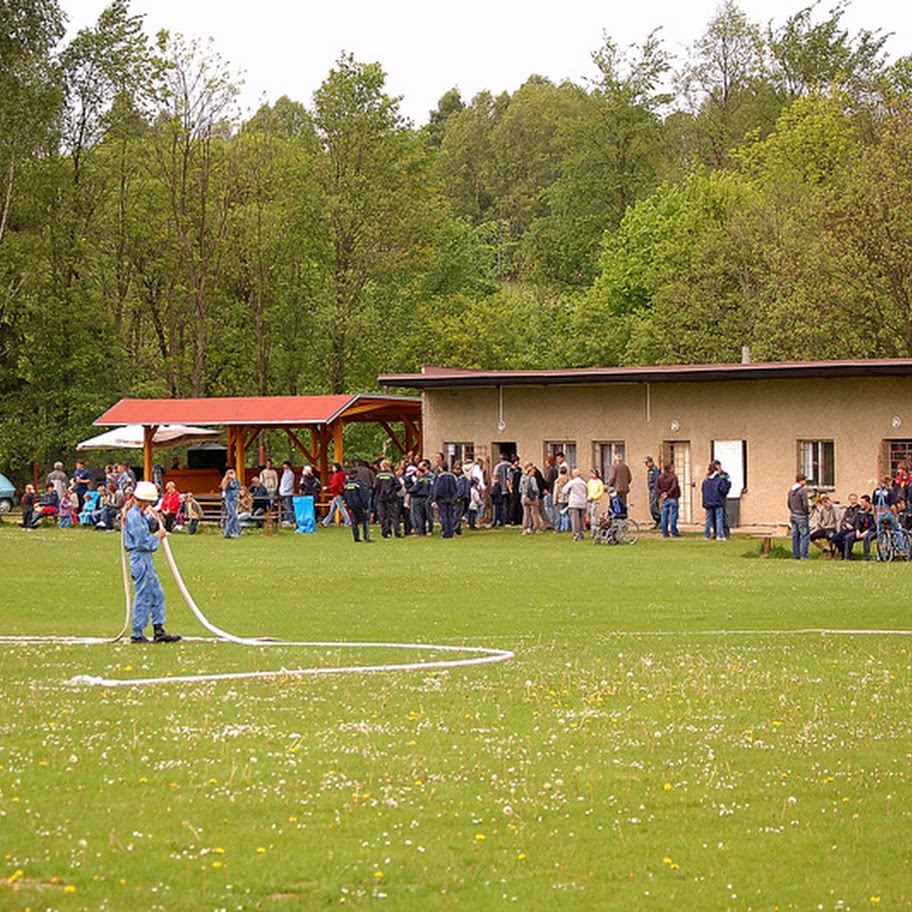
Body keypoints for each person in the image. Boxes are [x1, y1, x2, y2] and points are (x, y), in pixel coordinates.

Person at [123, 480, 180, 643]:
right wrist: (158, 536)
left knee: (157, 594)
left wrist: (152, 519)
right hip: (140, 558)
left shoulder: (138, 514)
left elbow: (142, 527)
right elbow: (143, 541)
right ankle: (137, 633)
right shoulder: (133, 516)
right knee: (144, 595)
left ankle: (159, 630)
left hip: (145, 559)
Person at [873, 473, 905, 554]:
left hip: (879, 514)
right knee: (897, 529)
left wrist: (875, 515)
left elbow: (873, 505)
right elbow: (892, 506)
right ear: (890, 482)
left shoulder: (876, 491)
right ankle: (901, 549)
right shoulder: (890, 491)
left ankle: (881, 552)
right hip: (888, 513)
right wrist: (895, 515)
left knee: (880, 532)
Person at [342, 467, 372, 542]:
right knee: (365, 521)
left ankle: (356, 537)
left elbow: (344, 495)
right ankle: (366, 536)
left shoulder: (346, 485)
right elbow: (363, 495)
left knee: (354, 521)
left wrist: (347, 503)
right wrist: (365, 506)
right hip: (359, 505)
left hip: (351, 505)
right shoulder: (359, 484)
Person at [844, 494, 877, 560]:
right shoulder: (860, 511)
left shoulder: (873, 511)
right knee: (848, 537)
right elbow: (857, 522)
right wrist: (857, 531)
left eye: (863, 502)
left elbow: (874, 524)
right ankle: (847, 557)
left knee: (867, 538)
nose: (861, 504)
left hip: (871, 530)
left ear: (867, 503)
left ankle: (866, 557)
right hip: (861, 530)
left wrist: (866, 532)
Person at [374, 459, 400, 538]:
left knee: (383, 515)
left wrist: (378, 492)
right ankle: (396, 532)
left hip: (381, 497)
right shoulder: (392, 475)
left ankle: (384, 532)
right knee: (394, 515)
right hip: (391, 497)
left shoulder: (378, 475)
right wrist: (393, 491)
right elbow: (398, 485)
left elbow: (374, 486)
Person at [433, 461, 459, 538]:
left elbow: (437, 488)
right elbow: (455, 488)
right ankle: (450, 532)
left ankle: (445, 532)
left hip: (442, 499)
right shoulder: (452, 476)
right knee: (450, 516)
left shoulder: (440, 477)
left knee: (443, 516)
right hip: (450, 498)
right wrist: (454, 497)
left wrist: (435, 498)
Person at [787, 473, 811, 560]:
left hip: (793, 515)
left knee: (795, 536)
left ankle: (795, 555)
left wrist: (793, 510)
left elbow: (788, 503)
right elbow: (805, 504)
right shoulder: (802, 491)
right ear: (802, 481)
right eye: (805, 480)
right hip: (801, 515)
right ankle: (804, 555)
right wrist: (807, 512)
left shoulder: (791, 491)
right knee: (805, 536)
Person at [831, 493, 861, 559]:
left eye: (855, 499)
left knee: (847, 538)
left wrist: (849, 522)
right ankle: (845, 552)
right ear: (849, 500)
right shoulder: (848, 509)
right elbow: (843, 520)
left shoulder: (859, 509)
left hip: (855, 529)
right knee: (834, 538)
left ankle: (847, 555)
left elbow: (856, 518)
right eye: (852, 499)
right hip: (847, 528)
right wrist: (846, 524)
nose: (853, 501)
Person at [321, 462, 351, 527]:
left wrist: (327, 487)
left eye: (333, 467)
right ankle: (325, 522)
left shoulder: (336, 475)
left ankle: (348, 521)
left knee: (341, 508)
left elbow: (335, 484)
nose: (332, 469)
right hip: (340, 492)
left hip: (337, 493)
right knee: (332, 509)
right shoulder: (343, 474)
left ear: (336, 468)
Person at [656, 463, 682, 538]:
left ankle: (665, 533)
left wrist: (662, 493)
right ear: (670, 468)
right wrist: (668, 493)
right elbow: (674, 486)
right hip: (672, 497)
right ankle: (674, 532)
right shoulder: (673, 477)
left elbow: (656, 487)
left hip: (665, 498)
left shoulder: (660, 477)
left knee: (664, 516)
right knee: (673, 515)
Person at [701, 463, 726, 541]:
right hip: (717, 500)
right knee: (719, 518)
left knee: (708, 518)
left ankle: (706, 535)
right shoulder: (719, 478)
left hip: (708, 501)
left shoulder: (706, 480)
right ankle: (719, 535)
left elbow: (702, 490)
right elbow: (723, 489)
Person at [563, 468, 588, 541]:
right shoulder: (584, 483)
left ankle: (576, 535)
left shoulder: (572, 482)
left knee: (575, 520)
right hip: (582, 502)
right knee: (581, 519)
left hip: (574, 502)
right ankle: (581, 533)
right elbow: (586, 492)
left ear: (573, 475)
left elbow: (564, 490)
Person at [221, 469, 241, 538]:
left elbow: (238, 487)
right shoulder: (227, 482)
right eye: (230, 474)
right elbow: (232, 487)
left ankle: (228, 532)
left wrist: (235, 479)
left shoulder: (234, 481)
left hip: (234, 499)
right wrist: (232, 479)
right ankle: (228, 531)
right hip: (229, 500)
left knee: (230, 517)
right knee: (233, 516)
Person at [586, 468, 605, 536]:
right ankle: (592, 528)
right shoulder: (590, 482)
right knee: (589, 514)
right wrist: (589, 497)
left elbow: (601, 492)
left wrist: (594, 497)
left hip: (595, 500)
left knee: (593, 514)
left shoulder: (599, 482)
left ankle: (595, 530)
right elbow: (588, 490)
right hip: (589, 499)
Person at [644, 456, 661, 528]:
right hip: (652, 490)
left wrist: (655, 489)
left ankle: (660, 520)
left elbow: (657, 480)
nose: (646, 464)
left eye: (647, 462)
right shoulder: (650, 470)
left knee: (654, 506)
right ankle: (657, 521)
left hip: (655, 489)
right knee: (652, 506)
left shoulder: (655, 470)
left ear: (651, 462)